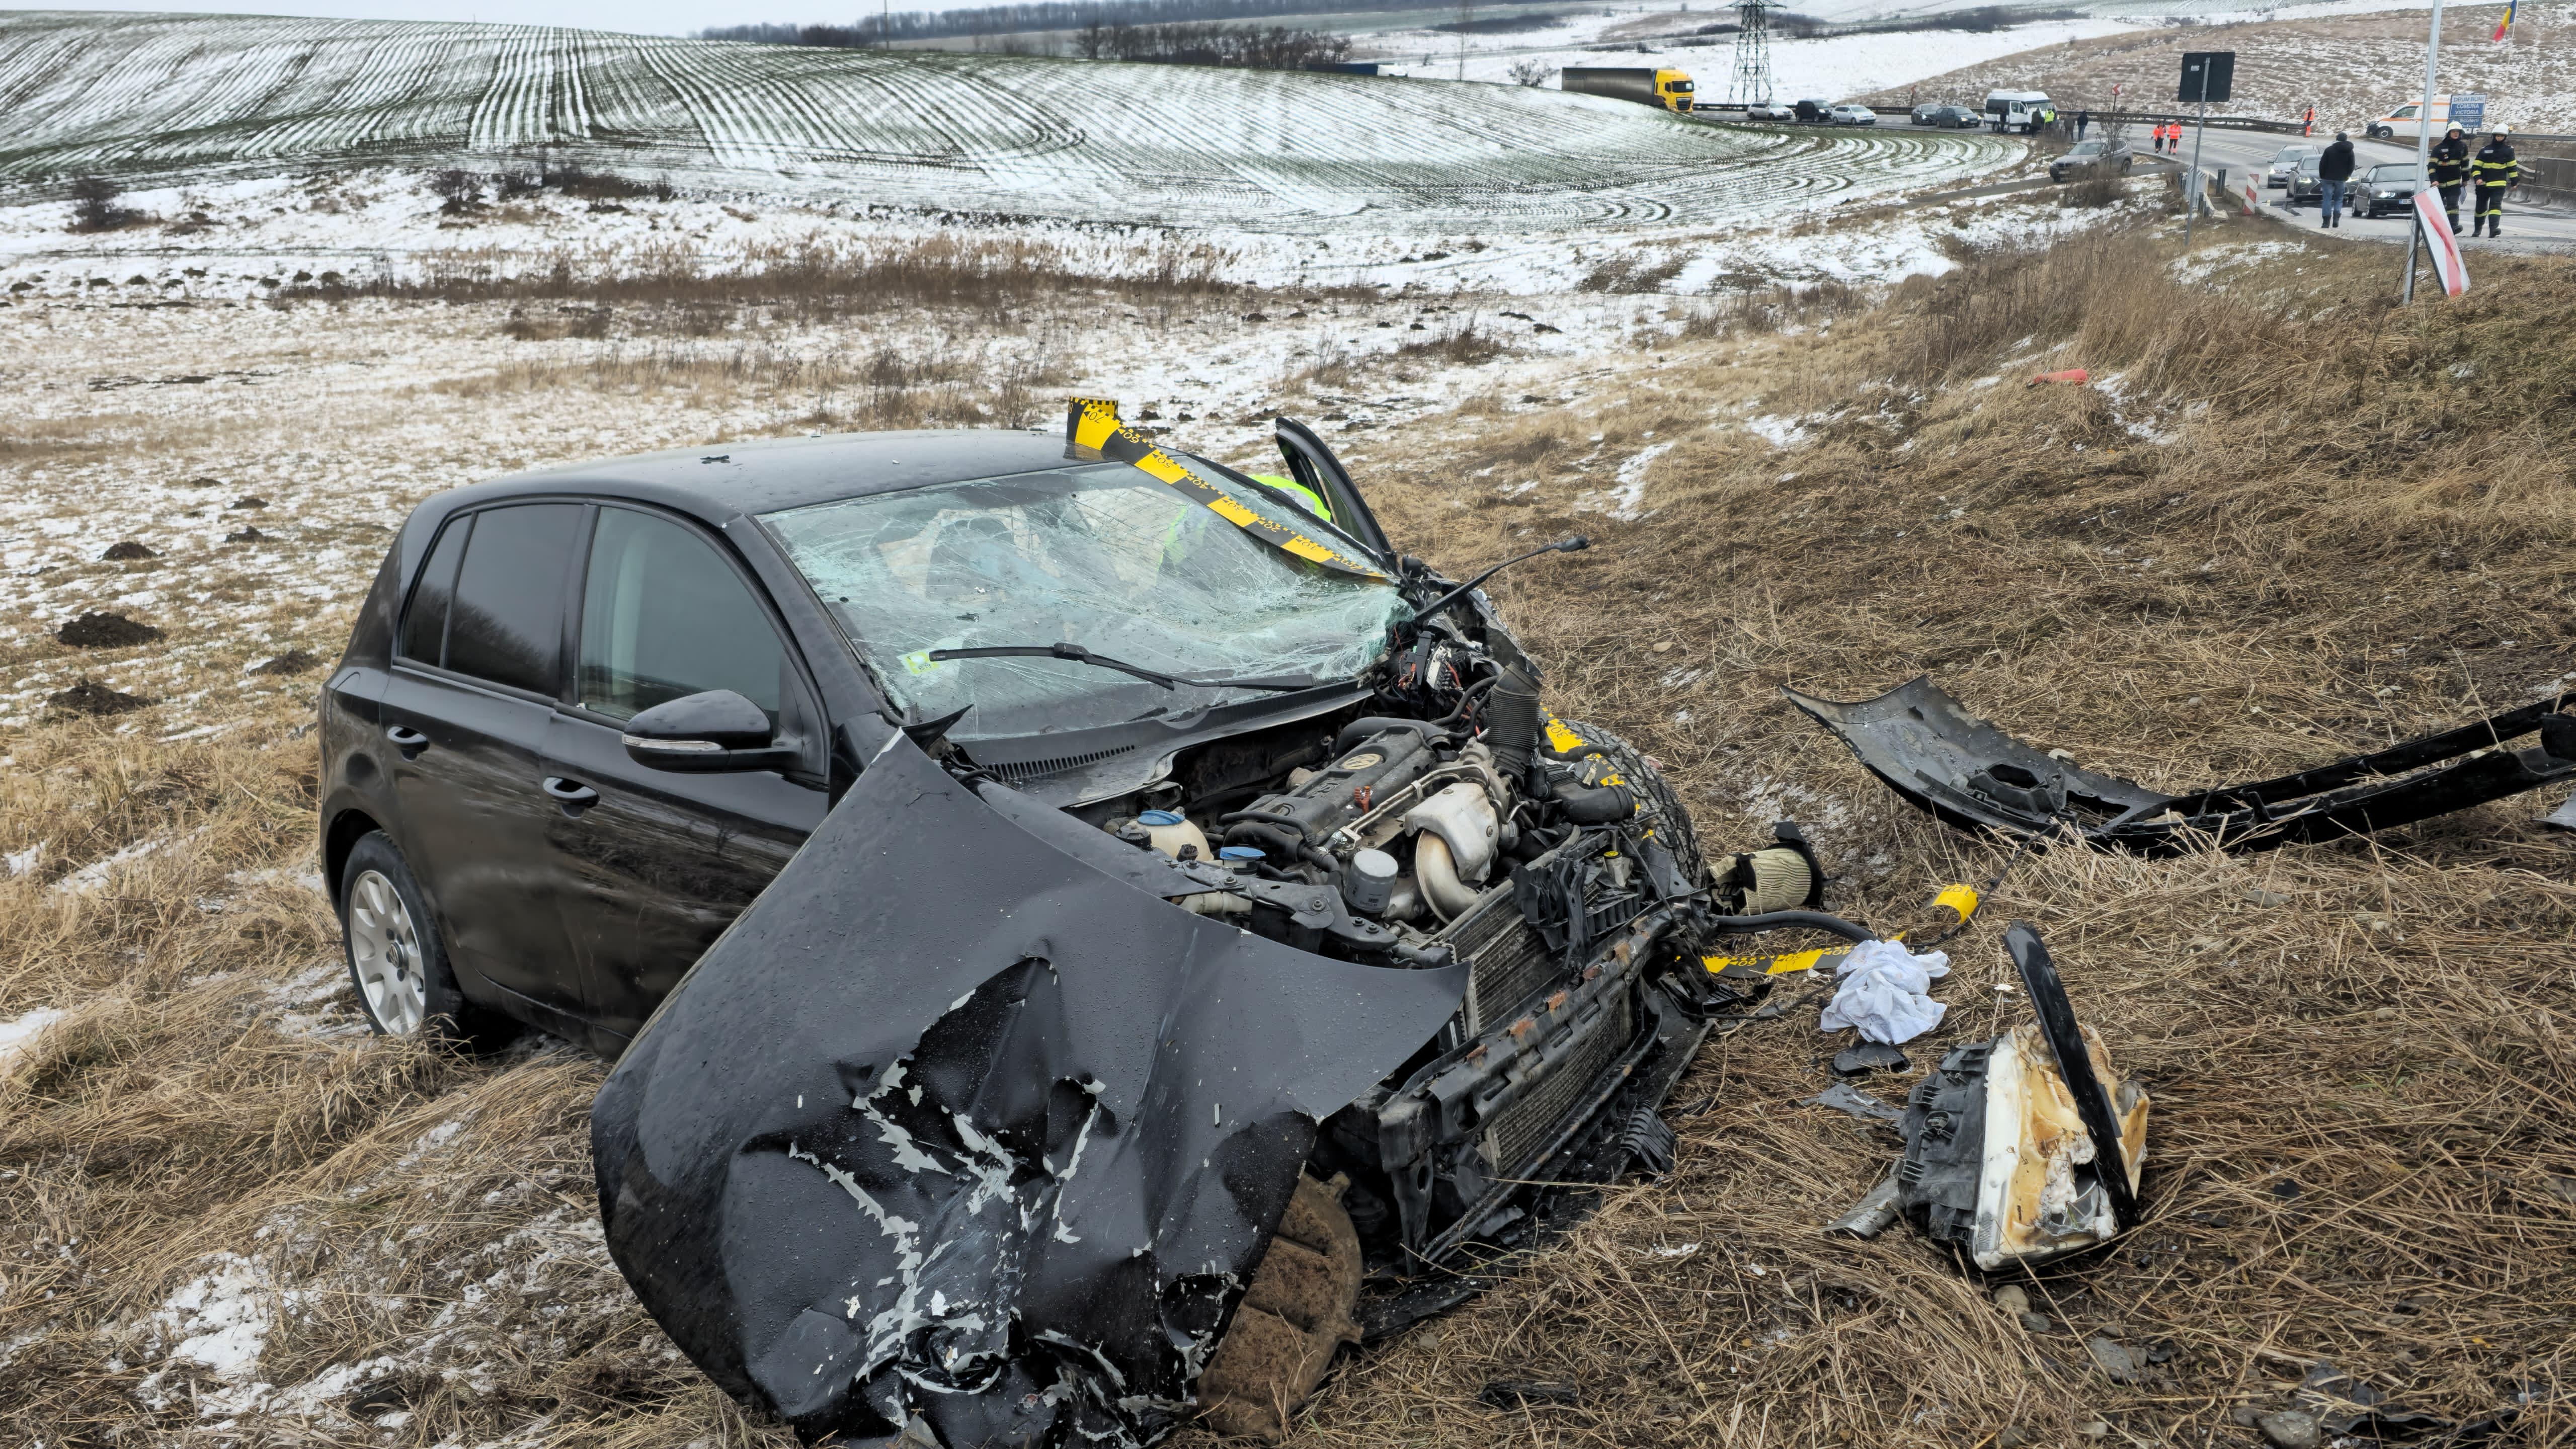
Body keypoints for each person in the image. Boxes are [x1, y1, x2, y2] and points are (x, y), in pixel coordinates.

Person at [2470, 126, 2518, 237]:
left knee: (2495, 206)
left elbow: (2512, 168)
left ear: (2505, 137)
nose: (2499, 138)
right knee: (2480, 209)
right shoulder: (2484, 150)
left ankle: (2493, 229)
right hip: (2483, 185)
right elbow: (2476, 167)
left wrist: (2514, 182)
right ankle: (2478, 229)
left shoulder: (2509, 151)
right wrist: (2478, 178)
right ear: (2494, 136)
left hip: (2498, 185)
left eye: (2501, 136)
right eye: (2498, 136)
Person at [2428, 124, 2471, 234]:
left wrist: (2466, 179)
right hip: (2440, 184)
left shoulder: (2463, 147)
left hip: (2455, 184)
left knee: (2453, 205)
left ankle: (2454, 227)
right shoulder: (2439, 148)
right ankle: (2438, 229)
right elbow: (2432, 166)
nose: (2456, 133)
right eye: (2454, 131)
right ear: (2448, 133)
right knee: (2440, 207)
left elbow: (2465, 165)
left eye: (2458, 132)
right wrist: (2434, 180)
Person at [2316, 130, 2356, 228]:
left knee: (2327, 199)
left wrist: (2322, 176)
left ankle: (2326, 223)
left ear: (2337, 139)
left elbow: (2322, 165)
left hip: (2328, 178)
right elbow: (2351, 166)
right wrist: (2347, 176)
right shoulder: (2350, 151)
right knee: (2339, 199)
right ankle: (2336, 219)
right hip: (2341, 179)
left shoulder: (2329, 150)